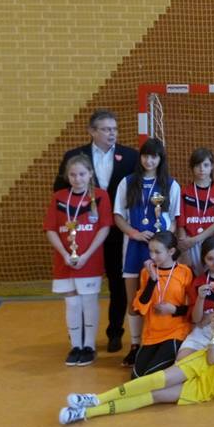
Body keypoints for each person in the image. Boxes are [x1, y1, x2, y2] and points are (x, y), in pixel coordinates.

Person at [59, 300, 214, 425]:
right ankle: (95, 399)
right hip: (202, 364)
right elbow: (213, 359)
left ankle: (86, 413)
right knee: (157, 379)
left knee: (155, 396)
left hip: (210, 387)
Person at [54, 109, 138, 354]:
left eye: (115, 129)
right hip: (83, 234)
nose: (112, 133)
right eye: (106, 129)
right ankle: (80, 338)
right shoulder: (74, 157)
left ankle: (115, 332)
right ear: (92, 131)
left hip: (117, 231)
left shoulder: (130, 156)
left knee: (118, 284)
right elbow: (59, 192)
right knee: (81, 287)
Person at [113, 137, 181, 367]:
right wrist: (133, 233)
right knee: (134, 300)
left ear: (160, 159)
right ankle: (135, 345)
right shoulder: (127, 182)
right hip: (134, 247)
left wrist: (164, 240)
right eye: (145, 156)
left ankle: (159, 343)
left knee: (160, 297)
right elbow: (118, 216)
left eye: (154, 156)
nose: (149, 160)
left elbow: (175, 220)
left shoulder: (170, 184)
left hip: (161, 251)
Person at [44, 154, 113, 366]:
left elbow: (104, 228)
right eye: (73, 175)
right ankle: (75, 346)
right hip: (65, 261)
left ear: (90, 174)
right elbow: (50, 229)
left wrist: (86, 255)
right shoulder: (59, 197)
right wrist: (65, 254)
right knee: (72, 303)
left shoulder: (100, 196)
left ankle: (89, 346)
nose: (77, 179)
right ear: (67, 176)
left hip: (89, 260)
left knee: (88, 302)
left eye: (82, 174)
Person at [129, 231, 193, 378]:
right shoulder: (146, 272)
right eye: (150, 251)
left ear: (171, 251)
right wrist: (152, 280)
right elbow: (139, 308)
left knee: (151, 375)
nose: (152, 256)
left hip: (175, 332)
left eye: (157, 252)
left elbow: (193, 308)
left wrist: (174, 309)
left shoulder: (184, 272)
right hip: (151, 333)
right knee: (136, 377)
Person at [176, 147, 214, 276]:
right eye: (197, 165)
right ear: (192, 167)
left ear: (212, 166)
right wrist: (184, 251)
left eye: (206, 165)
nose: (201, 169)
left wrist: (196, 239)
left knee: (213, 280)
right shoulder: (184, 192)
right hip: (190, 245)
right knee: (192, 280)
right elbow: (181, 223)